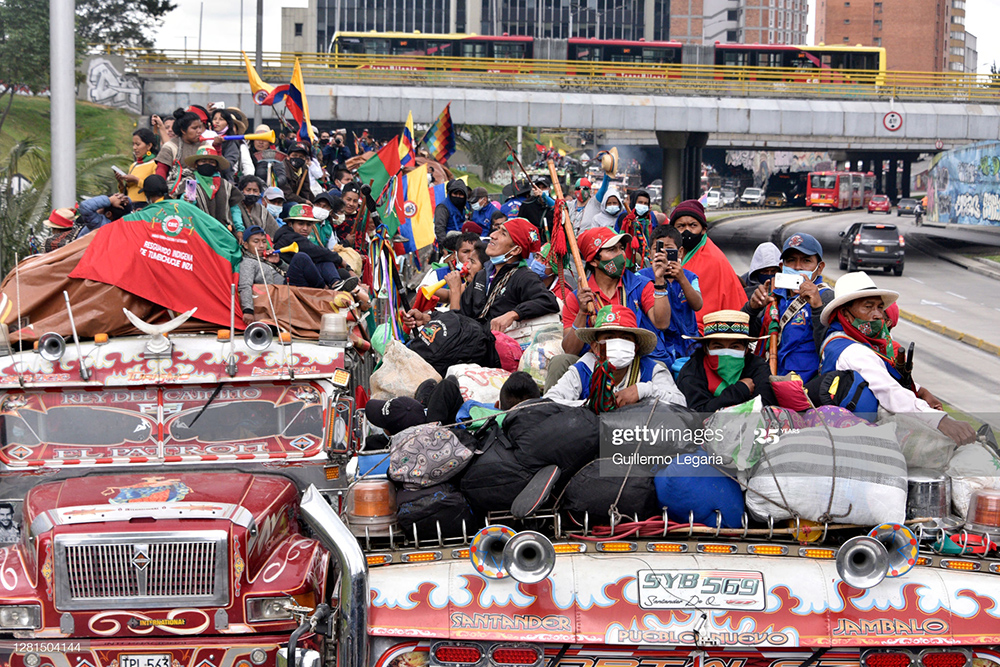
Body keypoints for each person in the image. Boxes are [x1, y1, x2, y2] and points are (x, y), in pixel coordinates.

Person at [818, 272, 975, 445]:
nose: (877, 315)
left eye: (879, 307)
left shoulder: (846, 339)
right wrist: (941, 421)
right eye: (868, 307)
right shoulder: (853, 350)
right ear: (845, 314)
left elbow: (881, 372)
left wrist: (921, 391)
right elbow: (889, 391)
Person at [561, 226, 671, 365]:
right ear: (594, 261)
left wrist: (660, 281)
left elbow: (662, 323)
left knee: (659, 366)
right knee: (561, 361)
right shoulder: (578, 297)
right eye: (612, 250)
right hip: (597, 363)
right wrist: (582, 312)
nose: (621, 255)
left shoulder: (640, 285)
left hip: (637, 359)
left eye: (621, 248)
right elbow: (570, 351)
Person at [546, 304, 686, 411]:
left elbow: (680, 404)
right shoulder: (585, 368)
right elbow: (550, 401)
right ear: (595, 347)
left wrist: (644, 390)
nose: (618, 343)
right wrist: (591, 405)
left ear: (635, 347)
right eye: (609, 337)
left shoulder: (651, 370)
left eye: (625, 338)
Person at [745, 233, 833, 382]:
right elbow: (747, 335)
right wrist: (751, 309)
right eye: (791, 261)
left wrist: (817, 308)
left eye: (806, 261)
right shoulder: (773, 295)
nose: (798, 267)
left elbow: (830, 347)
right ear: (782, 267)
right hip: (771, 380)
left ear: (819, 268)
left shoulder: (826, 297)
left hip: (805, 387)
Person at [447, 217, 559, 331]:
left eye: (503, 234)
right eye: (498, 229)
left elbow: (548, 301)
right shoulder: (483, 274)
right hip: (471, 339)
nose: (493, 235)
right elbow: (462, 315)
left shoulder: (524, 277)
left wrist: (514, 314)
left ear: (515, 250)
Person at [669, 199, 747, 330]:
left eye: (693, 225)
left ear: (704, 229)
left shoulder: (712, 259)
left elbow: (703, 311)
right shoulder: (672, 253)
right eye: (681, 226)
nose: (687, 230)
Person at [677, 310, 776, 412]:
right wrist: (740, 390)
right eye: (718, 347)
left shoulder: (758, 367)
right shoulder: (692, 371)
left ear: (746, 349)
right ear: (706, 348)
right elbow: (697, 414)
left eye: (735, 347)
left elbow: (765, 407)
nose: (726, 353)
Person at [639, 224, 703, 372]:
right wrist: (658, 277)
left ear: (679, 252)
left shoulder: (689, 277)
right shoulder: (641, 278)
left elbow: (698, 305)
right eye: (658, 248)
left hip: (687, 344)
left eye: (669, 248)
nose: (663, 253)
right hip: (656, 345)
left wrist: (681, 279)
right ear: (650, 253)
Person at [272, 204, 348, 286]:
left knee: (328, 263)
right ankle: (329, 287)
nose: (305, 228)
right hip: (290, 279)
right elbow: (316, 251)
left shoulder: (294, 235)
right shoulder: (288, 237)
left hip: (299, 275)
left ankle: (336, 283)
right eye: (300, 224)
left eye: (309, 225)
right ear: (290, 224)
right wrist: (341, 260)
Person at [183, 146, 244, 240]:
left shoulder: (226, 185)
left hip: (224, 233)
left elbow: (234, 209)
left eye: (211, 162)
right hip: (200, 234)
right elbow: (184, 208)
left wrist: (239, 229)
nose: (207, 164)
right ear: (196, 164)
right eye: (203, 161)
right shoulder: (191, 183)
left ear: (216, 165)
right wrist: (188, 201)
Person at [154, 106, 209, 185]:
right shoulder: (170, 147)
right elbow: (161, 172)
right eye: (194, 128)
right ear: (183, 130)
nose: (199, 131)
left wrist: (217, 147)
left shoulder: (205, 146)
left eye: (200, 127)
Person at [617, 188, 666, 266]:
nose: (643, 205)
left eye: (645, 203)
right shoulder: (626, 217)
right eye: (640, 202)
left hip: (647, 257)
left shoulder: (650, 217)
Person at [116, 128, 159, 206]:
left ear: (149, 146)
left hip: (144, 206)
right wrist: (121, 183)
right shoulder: (134, 165)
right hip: (130, 206)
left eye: (138, 144)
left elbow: (155, 189)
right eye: (133, 144)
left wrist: (136, 180)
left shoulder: (155, 164)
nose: (134, 148)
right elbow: (128, 191)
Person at [249, 124, 288, 190]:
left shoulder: (275, 156)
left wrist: (272, 182)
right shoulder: (246, 154)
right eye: (258, 139)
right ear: (253, 141)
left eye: (264, 140)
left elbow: (282, 177)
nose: (261, 142)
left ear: (269, 142)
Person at [208, 107, 241, 181]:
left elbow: (227, 167)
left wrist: (217, 147)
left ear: (228, 123)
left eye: (221, 119)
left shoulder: (231, 142)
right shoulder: (206, 137)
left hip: (223, 181)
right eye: (214, 119)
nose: (217, 122)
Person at [434, 179, 470, 245]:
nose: (458, 196)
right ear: (450, 194)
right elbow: (439, 229)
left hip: (462, 242)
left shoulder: (465, 206)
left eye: (461, 194)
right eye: (455, 193)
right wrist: (446, 246)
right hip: (448, 243)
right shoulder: (443, 207)